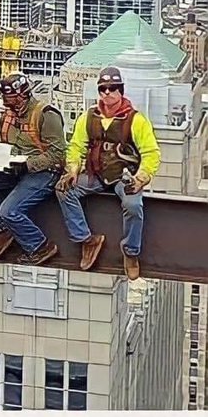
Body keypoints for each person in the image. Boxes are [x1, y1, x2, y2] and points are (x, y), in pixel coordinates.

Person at [56, 65, 161, 280]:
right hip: (96, 174)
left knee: (133, 205)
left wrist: (141, 178)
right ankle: (86, 239)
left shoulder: (136, 120)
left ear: (120, 90)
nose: (107, 93)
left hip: (124, 176)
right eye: (103, 89)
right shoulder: (89, 117)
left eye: (112, 88)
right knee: (64, 190)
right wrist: (73, 169)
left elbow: (151, 152)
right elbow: (76, 146)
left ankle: (130, 253)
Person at [0, 72, 66, 267]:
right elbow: (6, 143)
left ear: (21, 95)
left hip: (43, 172)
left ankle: (39, 245)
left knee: (9, 210)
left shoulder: (46, 115)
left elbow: (58, 155)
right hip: (14, 167)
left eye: (8, 96)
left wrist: (28, 164)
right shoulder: (7, 115)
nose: (5, 101)